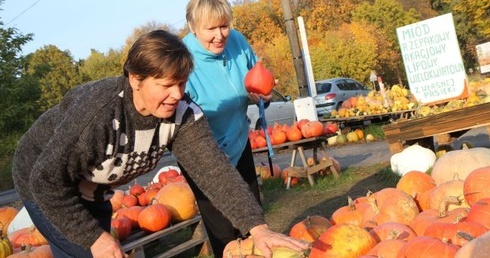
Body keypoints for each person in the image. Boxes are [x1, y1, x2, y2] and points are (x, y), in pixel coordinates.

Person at [11, 30, 309, 258]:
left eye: (181, 83)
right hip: (43, 181)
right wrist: (95, 239)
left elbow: (215, 172)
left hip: (93, 191)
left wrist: (257, 228)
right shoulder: (99, 113)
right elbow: (47, 181)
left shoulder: (182, 114)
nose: (177, 94)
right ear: (135, 79)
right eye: (166, 85)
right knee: (91, 250)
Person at [180, 0, 274, 257]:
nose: (220, 35)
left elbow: (258, 77)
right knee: (223, 231)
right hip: (203, 154)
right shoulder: (181, 59)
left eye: (224, 26)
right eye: (211, 28)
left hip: (238, 140)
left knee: (251, 218)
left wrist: (262, 94)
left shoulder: (238, 42)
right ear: (193, 27)